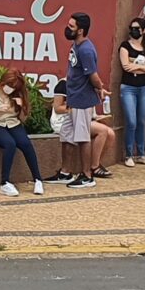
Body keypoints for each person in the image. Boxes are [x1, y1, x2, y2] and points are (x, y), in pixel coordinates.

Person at [57, 11, 115, 187]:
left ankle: (87, 175)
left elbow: (93, 75)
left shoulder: (86, 50)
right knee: (66, 135)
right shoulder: (76, 45)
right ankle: (65, 173)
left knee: (82, 138)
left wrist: (100, 88)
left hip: (82, 100)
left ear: (80, 30)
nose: (68, 29)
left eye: (71, 27)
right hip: (73, 98)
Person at [0, 66, 44, 195]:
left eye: (14, 87)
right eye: (9, 86)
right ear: (3, 82)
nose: (10, 89)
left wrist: (22, 108)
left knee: (25, 144)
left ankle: (38, 179)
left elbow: (22, 119)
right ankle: (5, 183)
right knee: (10, 143)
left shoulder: (17, 93)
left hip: (13, 123)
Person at [116, 18, 145, 166]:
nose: (134, 31)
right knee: (131, 121)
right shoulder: (125, 46)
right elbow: (126, 66)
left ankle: (141, 153)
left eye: (137, 28)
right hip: (128, 87)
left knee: (141, 121)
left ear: (144, 31)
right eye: (132, 28)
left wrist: (138, 67)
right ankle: (128, 154)